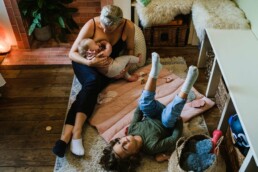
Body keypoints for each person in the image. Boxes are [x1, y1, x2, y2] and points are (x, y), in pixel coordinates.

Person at [52, 5, 137, 157]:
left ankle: (64, 139)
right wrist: (90, 63)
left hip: (106, 67)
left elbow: (130, 50)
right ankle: (77, 132)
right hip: (84, 62)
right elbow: (72, 53)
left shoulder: (128, 27)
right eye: (103, 27)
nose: (105, 32)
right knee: (92, 81)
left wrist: (126, 69)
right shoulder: (91, 24)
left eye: (109, 29)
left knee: (89, 89)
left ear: (119, 23)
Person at [99, 52, 199, 171]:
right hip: (168, 122)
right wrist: (179, 123)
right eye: (125, 148)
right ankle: (188, 84)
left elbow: (138, 113)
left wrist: (143, 103)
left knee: (144, 103)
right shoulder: (152, 147)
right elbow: (173, 139)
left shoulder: (131, 130)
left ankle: (155, 71)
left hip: (154, 112)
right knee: (168, 117)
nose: (124, 141)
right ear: (133, 155)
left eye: (120, 142)